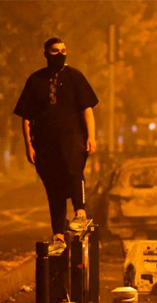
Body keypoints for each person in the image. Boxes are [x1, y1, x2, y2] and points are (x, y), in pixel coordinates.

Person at [14, 37, 98, 254]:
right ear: (46, 53)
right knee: (54, 188)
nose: (60, 54)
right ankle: (58, 236)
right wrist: (28, 145)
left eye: (63, 50)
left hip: (73, 137)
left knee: (73, 170)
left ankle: (80, 213)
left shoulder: (75, 76)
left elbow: (87, 109)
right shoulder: (35, 80)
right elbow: (26, 116)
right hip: (45, 143)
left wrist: (91, 136)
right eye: (55, 50)